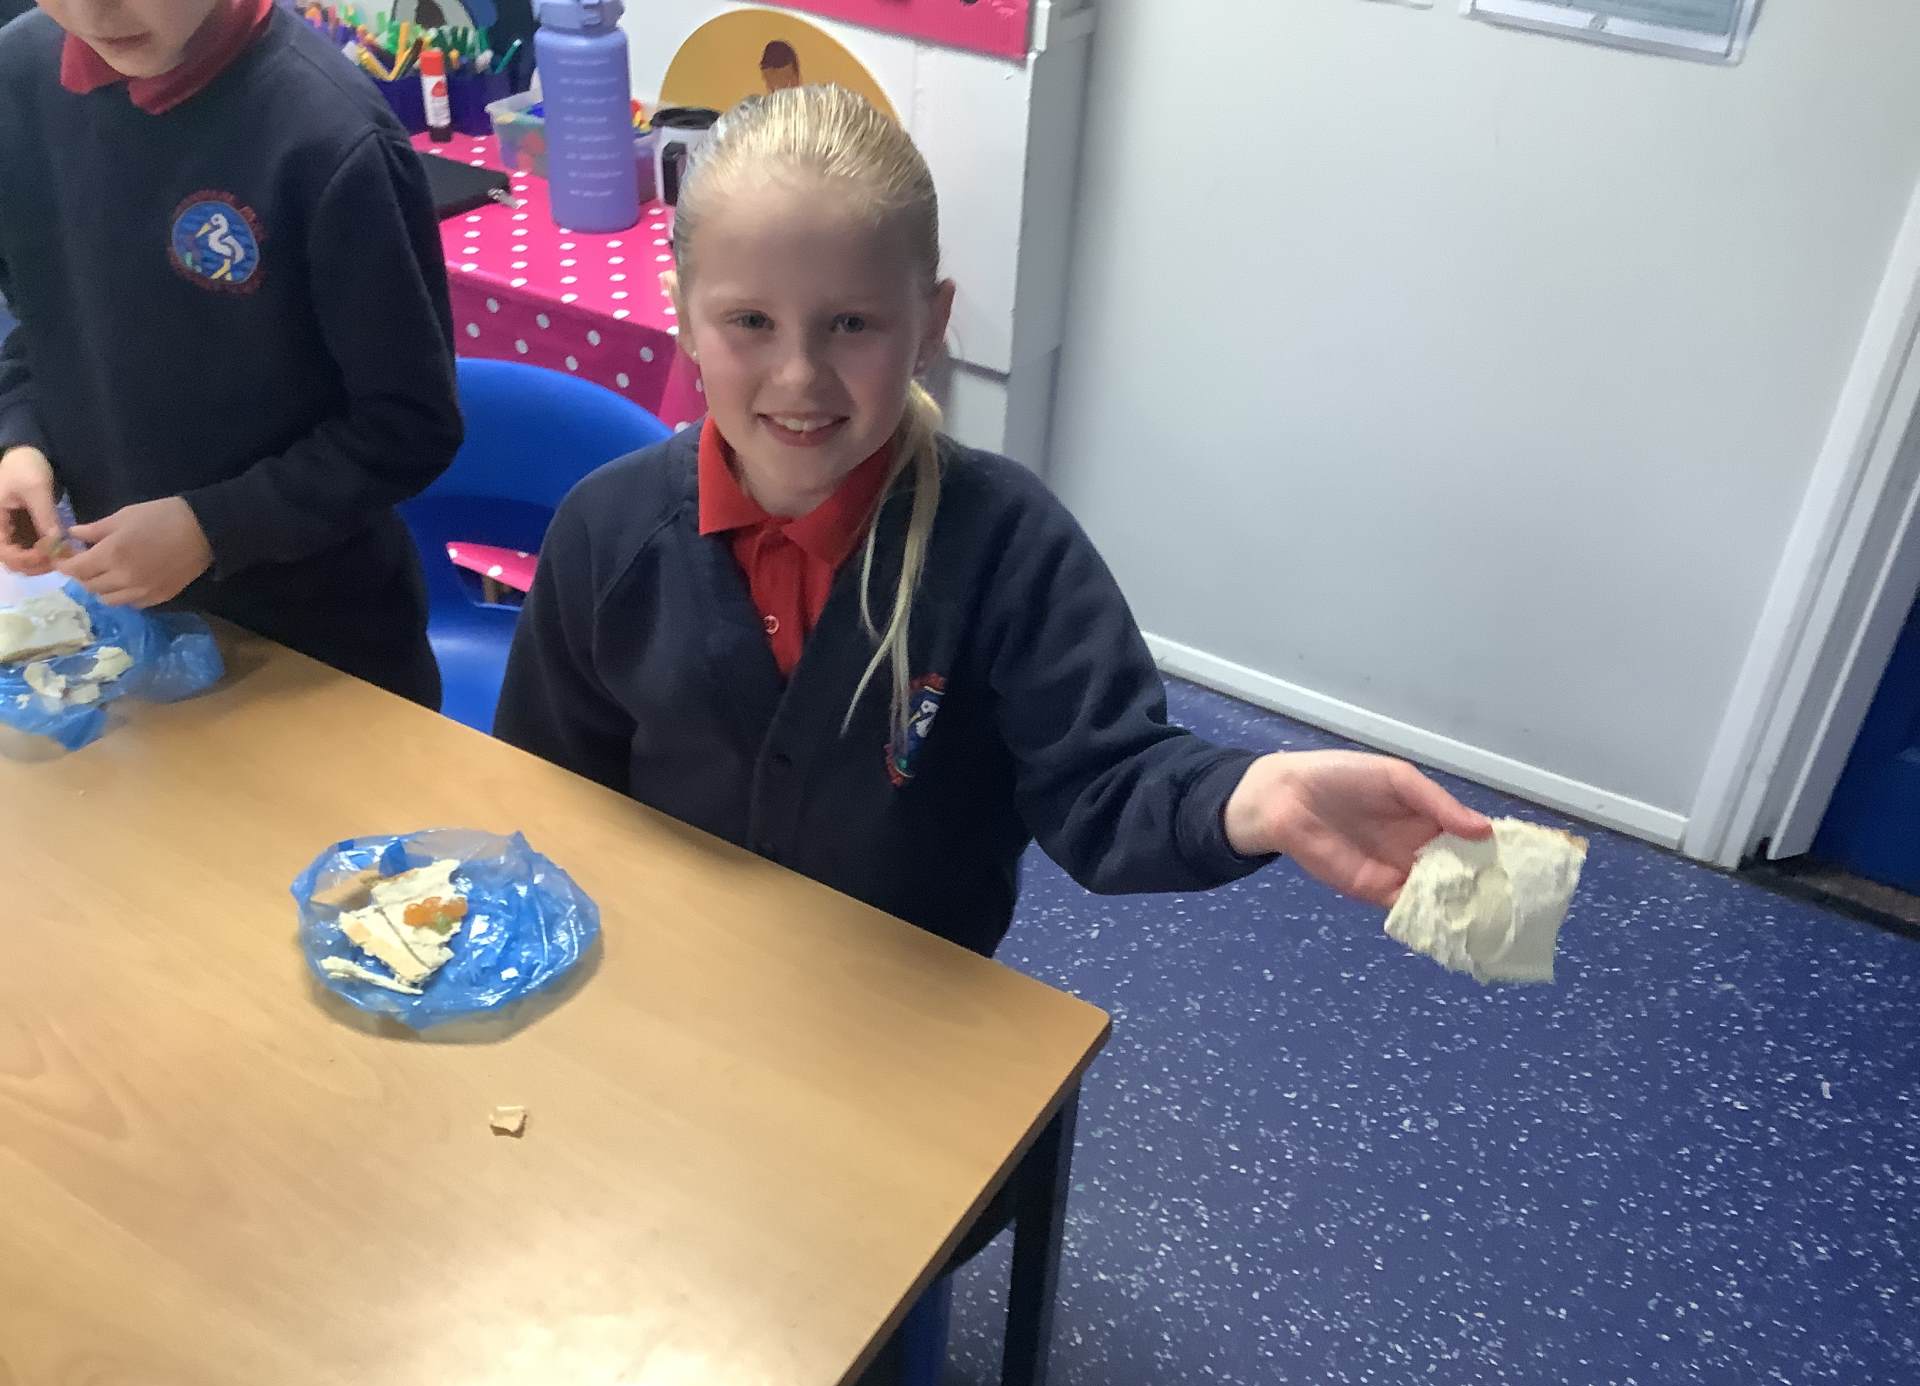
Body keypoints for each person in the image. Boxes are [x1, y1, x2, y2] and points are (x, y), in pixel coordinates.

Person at [497, 84, 1491, 958]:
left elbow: (1107, 779)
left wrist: (1255, 796)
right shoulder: (607, 533)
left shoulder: (1007, 546)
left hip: (908, 1017)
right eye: (750, 322)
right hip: (668, 978)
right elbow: (551, 793)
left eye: (852, 324)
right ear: (683, 315)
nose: (799, 377)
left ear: (930, 325)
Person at [0, 0, 462, 705]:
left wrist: (211, 528)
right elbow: (44, 319)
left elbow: (410, 425)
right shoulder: (17, 80)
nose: (93, 11)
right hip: (128, 624)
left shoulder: (329, 135)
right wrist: (21, 439)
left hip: (321, 646)